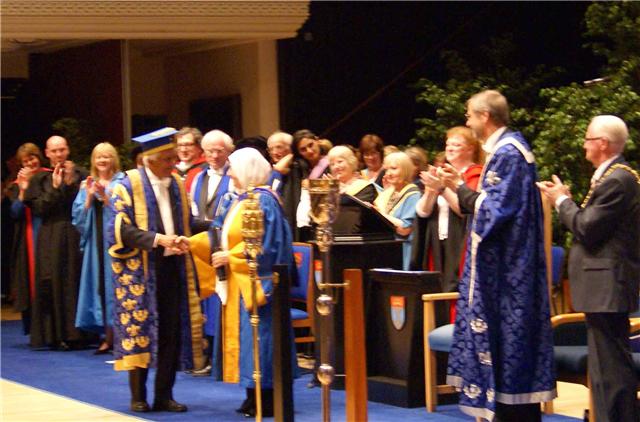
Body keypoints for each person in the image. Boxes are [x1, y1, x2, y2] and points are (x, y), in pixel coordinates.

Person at [438, 90, 555, 421]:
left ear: (485, 116)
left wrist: (460, 188)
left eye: (469, 115)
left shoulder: (509, 153)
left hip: (508, 275)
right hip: (505, 269)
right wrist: (457, 186)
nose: (467, 121)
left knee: (510, 352)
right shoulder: (503, 151)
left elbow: (493, 210)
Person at [538, 115, 639, 422]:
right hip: (602, 287)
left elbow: (586, 227)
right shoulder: (612, 176)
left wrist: (561, 201)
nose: (583, 145)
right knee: (604, 368)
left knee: (611, 370)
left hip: (608, 286)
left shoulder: (618, 179)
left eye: (587, 139)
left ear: (603, 143)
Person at [107, 127, 208, 413]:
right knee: (139, 330)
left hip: (173, 267)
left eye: (174, 158)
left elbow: (187, 221)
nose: (173, 164)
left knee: (170, 333)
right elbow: (118, 230)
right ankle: (138, 396)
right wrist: (157, 240)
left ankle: (165, 394)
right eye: (167, 159)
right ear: (149, 160)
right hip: (141, 271)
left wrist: (215, 225)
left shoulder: (175, 183)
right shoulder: (126, 184)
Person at [204, 147, 297, 418]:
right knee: (248, 341)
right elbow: (223, 232)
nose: (230, 174)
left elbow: (269, 245)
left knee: (262, 339)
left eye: (233, 168)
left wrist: (230, 257)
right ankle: (251, 394)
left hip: (259, 282)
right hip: (240, 281)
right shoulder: (242, 198)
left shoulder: (264, 201)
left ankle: (266, 398)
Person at [411, 127, 483, 323]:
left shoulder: (474, 175)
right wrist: (431, 190)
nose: (449, 148)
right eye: (448, 144)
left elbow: (465, 209)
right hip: (438, 243)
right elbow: (423, 212)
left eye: (456, 145)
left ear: (470, 149)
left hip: (459, 241)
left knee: (456, 289)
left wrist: (442, 188)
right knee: (437, 289)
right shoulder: (442, 172)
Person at [23, 135, 89, 350]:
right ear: (47, 153)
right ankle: (54, 335)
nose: (59, 154)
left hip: (75, 233)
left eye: (62, 149)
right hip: (50, 234)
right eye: (54, 151)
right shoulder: (39, 179)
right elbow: (39, 209)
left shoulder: (81, 174)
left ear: (67, 150)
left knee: (75, 280)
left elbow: (85, 206)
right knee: (51, 280)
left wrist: (70, 184)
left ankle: (79, 333)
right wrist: (54, 187)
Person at [188, 129, 235, 377]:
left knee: (219, 300)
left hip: (223, 246)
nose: (214, 156)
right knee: (203, 301)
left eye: (219, 151)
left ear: (229, 152)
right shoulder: (198, 177)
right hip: (201, 246)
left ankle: (221, 356)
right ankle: (204, 354)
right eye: (210, 151)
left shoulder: (234, 176)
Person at [72, 142, 125, 354]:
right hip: (96, 244)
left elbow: (124, 213)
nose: (102, 160)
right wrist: (89, 196)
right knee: (100, 287)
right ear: (93, 161)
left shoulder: (122, 182)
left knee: (116, 287)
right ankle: (107, 337)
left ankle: (121, 337)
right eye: (98, 157)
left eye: (107, 156)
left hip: (116, 243)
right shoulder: (87, 184)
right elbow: (78, 218)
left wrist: (104, 197)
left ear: (114, 159)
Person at [7, 143, 48, 334]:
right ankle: (35, 329)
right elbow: (15, 212)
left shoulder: (48, 177)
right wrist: (23, 190)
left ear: (39, 157)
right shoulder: (17, 184)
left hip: (47, 232)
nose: (30, 163)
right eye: (25, 161)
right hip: (28, 237)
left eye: (32, 158)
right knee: (29, 281)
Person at [373, 151, 420, 270]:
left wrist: (379, 214)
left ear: (405, 170)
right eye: (387, 169)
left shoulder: (413, 194)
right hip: (387, 249)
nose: (388, 173)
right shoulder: (390, 192)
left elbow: (405, 229)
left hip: (403, 251)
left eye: (393, 169)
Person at [267, 131, 305, 238]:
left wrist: (290, 156)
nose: (274, 152)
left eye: (279, 147)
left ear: (290, 147)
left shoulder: (297, 167)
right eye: (270, 149)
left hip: (292, 225)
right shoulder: (272, 171)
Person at [174, 126, 206, 192]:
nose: (183, 150)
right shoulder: (172, 170)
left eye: (188, 145)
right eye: (179, 145)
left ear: (199, 147)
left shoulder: (206, 169)